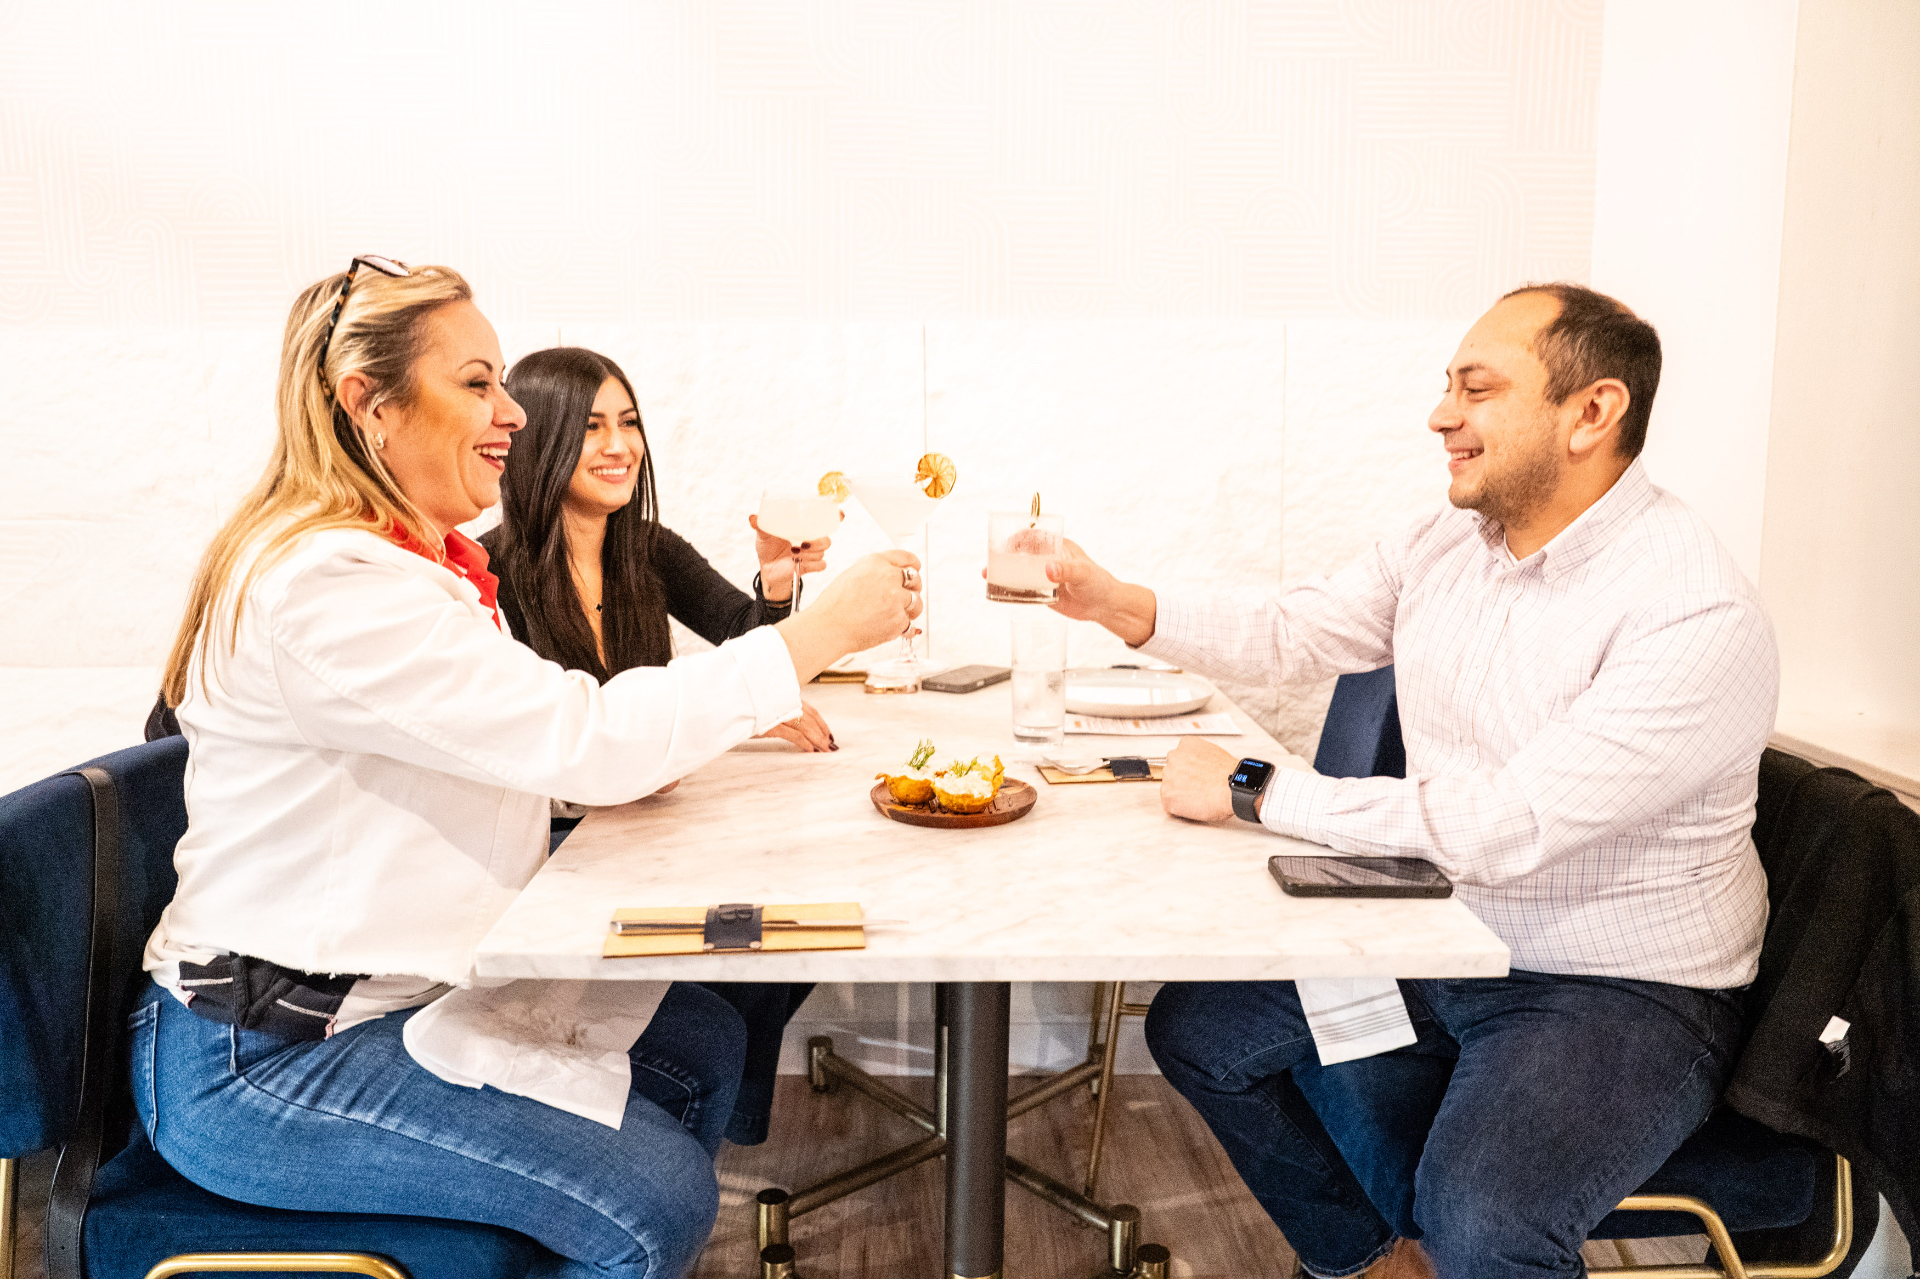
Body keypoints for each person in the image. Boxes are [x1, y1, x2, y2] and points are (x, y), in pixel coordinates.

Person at [138, 256, 920, 1279]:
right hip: (268, 1054)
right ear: (367, 404)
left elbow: (507, 749)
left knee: (700, 1038)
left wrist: (589, 769)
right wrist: (812, 635)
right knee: (656, 1199)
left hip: (382, 992)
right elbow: (578, 732)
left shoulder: (413, 569)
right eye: (476, 382)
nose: (511, 411)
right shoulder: (327, 584)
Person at [1047, 284, 1777, 1279]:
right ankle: (1366, 1259)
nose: (1441, 415)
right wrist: (1114, 601)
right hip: (1446, 933)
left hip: (1618, 989)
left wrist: (1258, 786)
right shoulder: (1448, 542)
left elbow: (1503, 825)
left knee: (1483, 1219)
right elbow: (1298, 627)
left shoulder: (1693, 613)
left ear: (1592, 413)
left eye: (1476, 389)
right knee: (1202, 1032)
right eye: (1446, 386)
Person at [479, 344, 826, 1146]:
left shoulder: (647, 548)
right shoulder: (490, 574)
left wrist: (774, 584)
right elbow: (521, 743)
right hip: (555, 854)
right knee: (751, 923)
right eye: (593, 426)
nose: (619, 445)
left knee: (796, 905)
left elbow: (747, 639)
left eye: (629, 423)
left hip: (647, 831)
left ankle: (716, 1115)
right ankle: (677, 1112)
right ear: (537, 439)